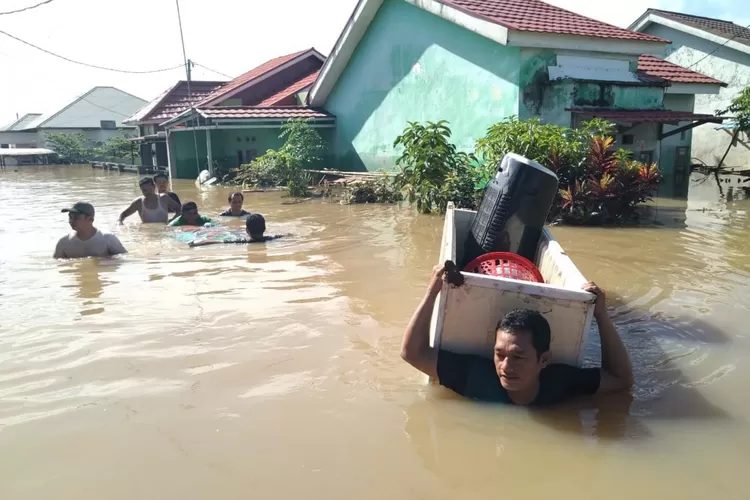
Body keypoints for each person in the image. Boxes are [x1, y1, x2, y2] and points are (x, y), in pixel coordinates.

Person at [400, 265, 634, 406]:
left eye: (519, 357)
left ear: (543, 360)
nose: (506, 366)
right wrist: (432, 293)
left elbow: (621, 381)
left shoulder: (560, 384)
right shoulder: (475, 376)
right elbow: (411, 353)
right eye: (499, 354)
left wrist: (601, 316)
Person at [54, 202, 127, 259]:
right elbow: (56, 264)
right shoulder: (64, 243)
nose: (71, 221)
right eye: (70, 217)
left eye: (76, 217)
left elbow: (124, 259)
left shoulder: (108, 238)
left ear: (90, 219)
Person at [189, 213, 284, 247]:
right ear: (264, 228)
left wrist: (195, 243)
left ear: (247, 230)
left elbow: (214, 241)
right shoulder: (272, 238)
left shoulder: (242, 241)